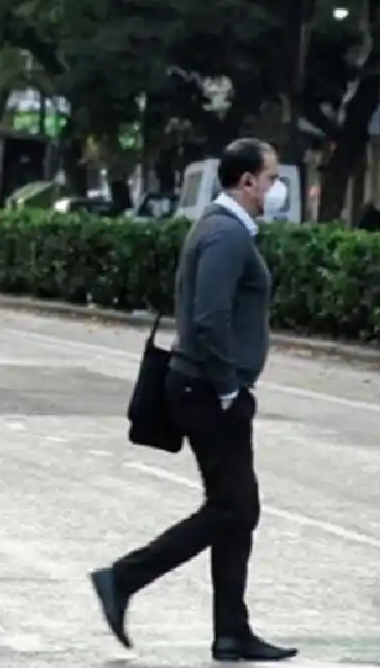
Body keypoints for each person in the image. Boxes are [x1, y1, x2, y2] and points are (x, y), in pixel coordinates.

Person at [90, 138, 299, 663]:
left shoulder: (223, 229)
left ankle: (232, 632)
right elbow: (209, 319)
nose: (276, 190)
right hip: (208, 390)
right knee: (233, 507)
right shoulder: (226, 236)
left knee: (237, 509)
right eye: (272, 179)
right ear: (246, 181)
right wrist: (229, 387)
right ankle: (123, 578)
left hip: (205, 387)